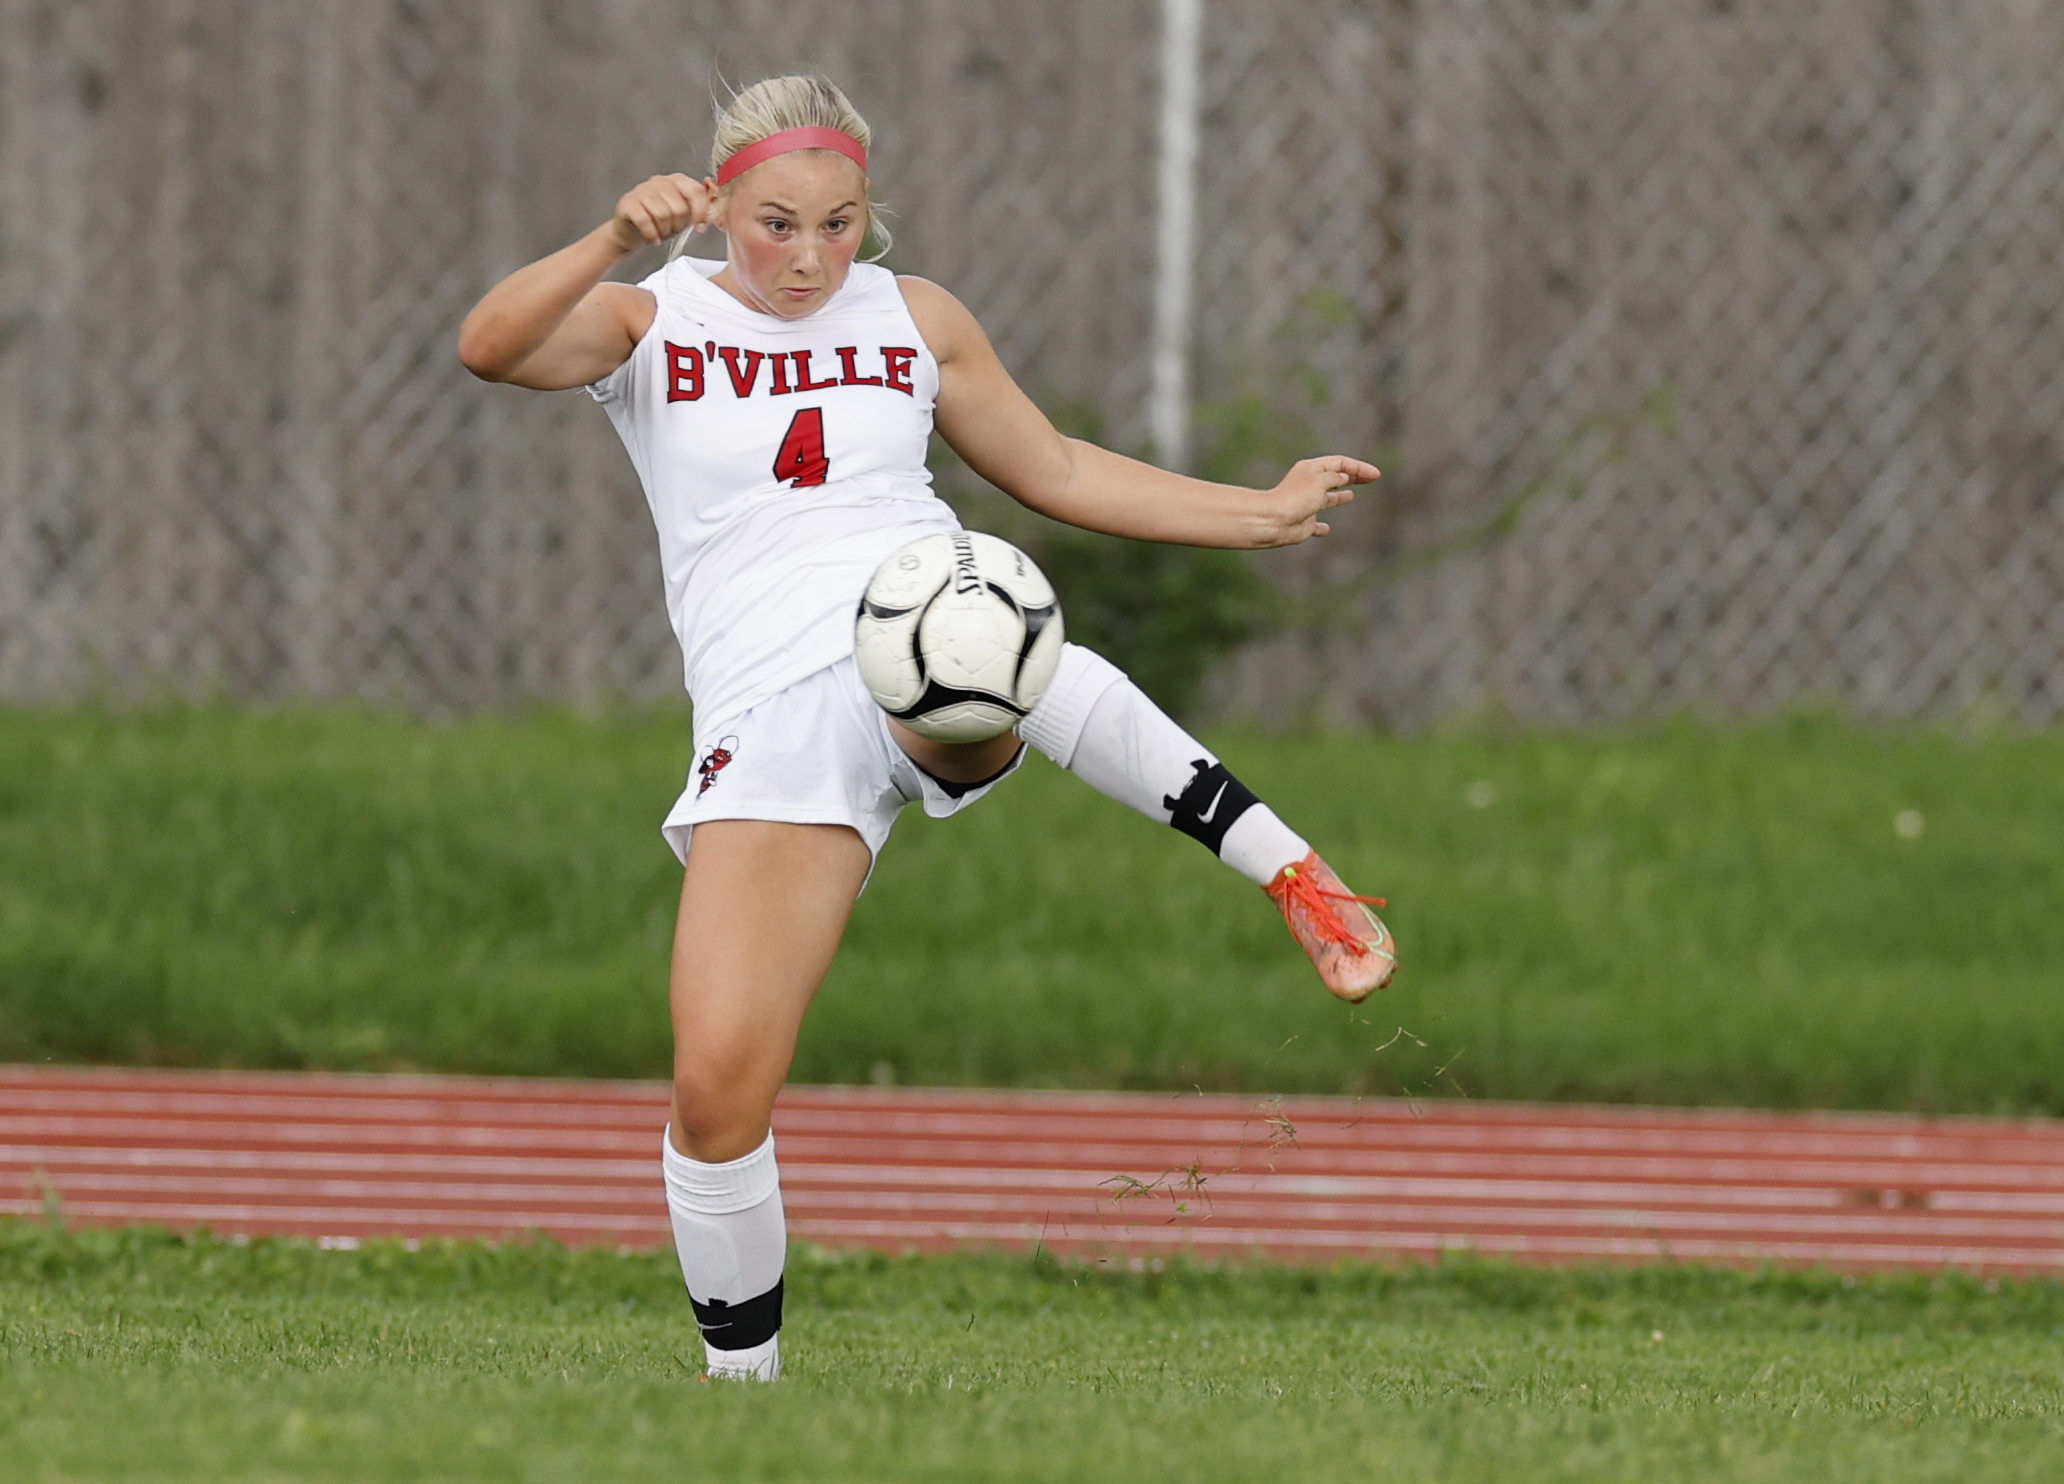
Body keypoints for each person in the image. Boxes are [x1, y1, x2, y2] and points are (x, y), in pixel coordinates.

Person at [457, 75, 1395, 1382]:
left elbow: (1055, 469)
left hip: (906, 634)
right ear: (721, 202)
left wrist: (1259, 511)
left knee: (969, 619)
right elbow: (490, 347)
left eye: (840, 223)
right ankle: (745, 1399)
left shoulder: (914, 319)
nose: (809, 256)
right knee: (717, 1086)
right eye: (777, 223)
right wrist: (616, 237)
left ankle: (1293, 871)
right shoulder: (649, 316)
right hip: (766, 715)